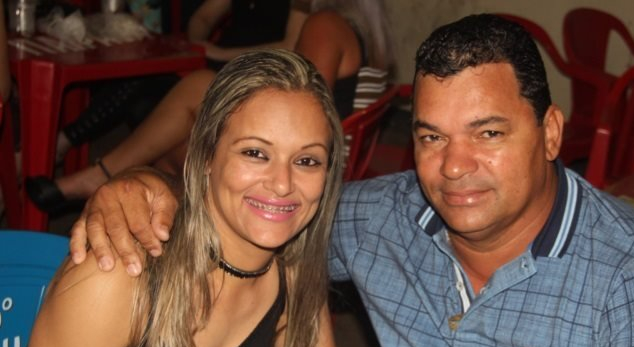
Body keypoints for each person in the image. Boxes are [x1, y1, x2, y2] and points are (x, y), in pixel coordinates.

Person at [69, 14, 634, 347]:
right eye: (432, 136)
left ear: (549, 132)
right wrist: (145, 185)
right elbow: (259, 207)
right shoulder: (384, 220)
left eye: (488, 133)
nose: (454, 165)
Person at [0, 49, 352, 347]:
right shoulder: (116, 274)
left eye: (307, 160)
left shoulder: (292, 271)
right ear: (205, 157)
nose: (282, 183)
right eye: (255, 153)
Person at [26, 0, 392, 213]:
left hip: (307, 168)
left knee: (176, 141)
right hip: (320, 160)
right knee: (190, 103)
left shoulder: (324, 25)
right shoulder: (359, 30)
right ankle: (103, 181)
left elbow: (300, 111)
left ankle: (105, 185)